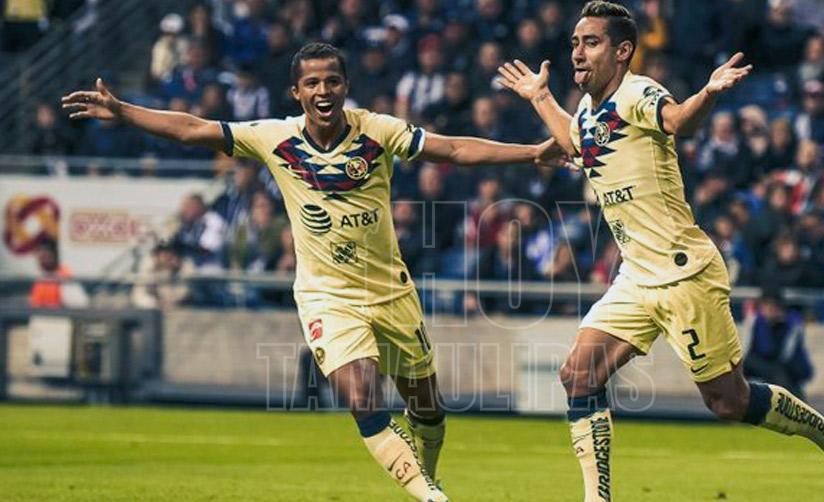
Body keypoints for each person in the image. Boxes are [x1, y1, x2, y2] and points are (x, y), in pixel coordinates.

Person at [63, 42, 561, 502]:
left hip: (390, 292)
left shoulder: (377, 131)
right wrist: (124, 111)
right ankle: (432, 498)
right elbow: (194, 128)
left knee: (428, 409)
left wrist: (533, 153)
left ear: (346, 86)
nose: (323, 91)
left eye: (332, 81)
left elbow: (452, 149)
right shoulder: (273, 138)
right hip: (327, 295)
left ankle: (427, 476)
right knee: (361, 396)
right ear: (296, 92)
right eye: (313, 83)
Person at [495, 2, 824, 501]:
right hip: (636, 275)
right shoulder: (588, 110)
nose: (578, 53)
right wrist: (540, 97)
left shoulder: (637, 92)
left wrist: (707, 94)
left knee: (728, 401)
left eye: (591, 43)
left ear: (623, 51)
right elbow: (576, 143)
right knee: (578, 374)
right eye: (575, 44)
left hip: (683, 273)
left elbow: (676, 121)